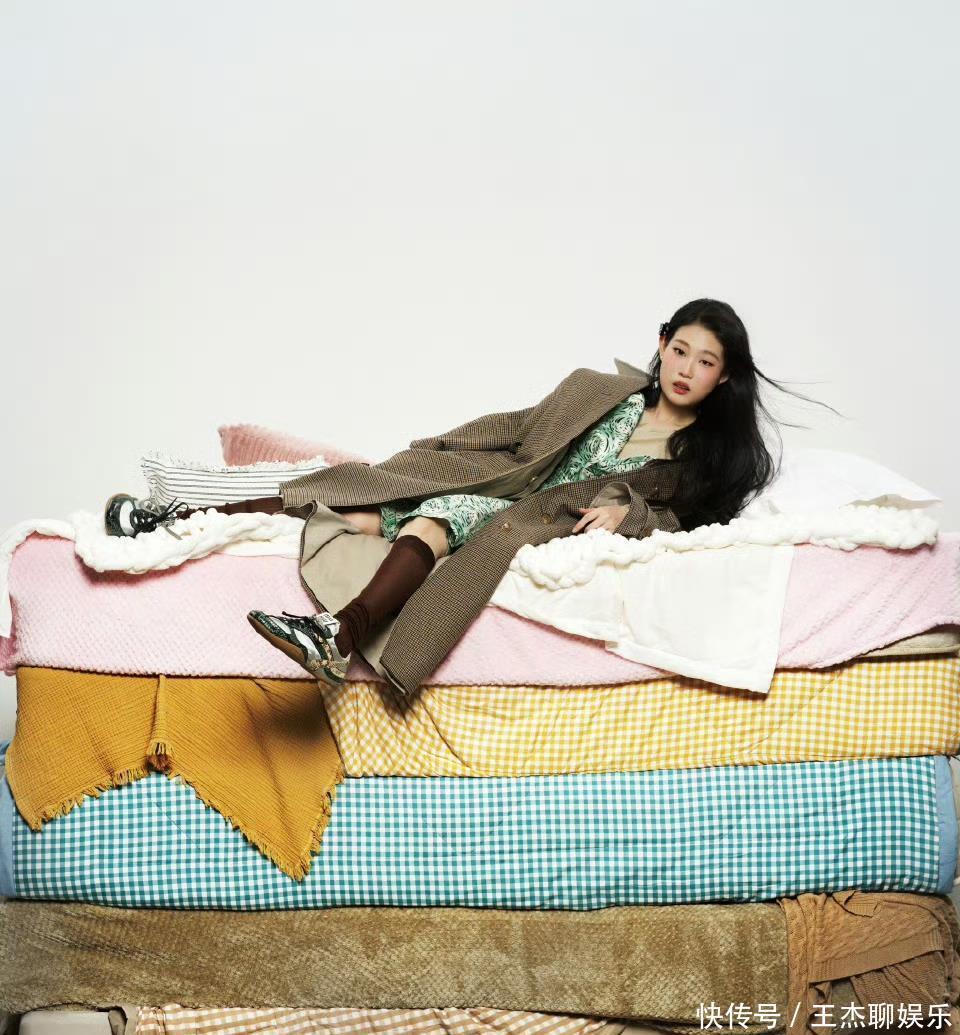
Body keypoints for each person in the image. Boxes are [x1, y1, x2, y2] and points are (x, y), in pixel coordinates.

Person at [103, 298, 832, 695]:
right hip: (500, 476)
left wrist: (628, 512)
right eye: (680, 350)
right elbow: (517, 426)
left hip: (537, 517)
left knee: (437, 517)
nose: (686, 369)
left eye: (706, 362)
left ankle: (338, 635)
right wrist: (437, 447)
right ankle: (172, 518)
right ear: (663, 341)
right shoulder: (598, 388)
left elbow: (683, 521)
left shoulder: (703, 458)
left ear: (723, 378)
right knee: (348, 502)